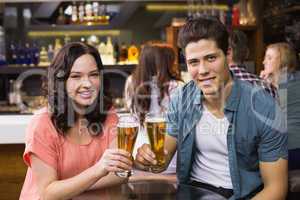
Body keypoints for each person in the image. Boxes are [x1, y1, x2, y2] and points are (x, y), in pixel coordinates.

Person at [135, 17, 288, 199]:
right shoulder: (181, 99)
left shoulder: (264, 107)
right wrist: (147, 159)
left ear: (228, 54)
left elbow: (276, 189)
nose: (202, 70)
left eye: (211, 58)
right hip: (192, 192)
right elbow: (162, 159)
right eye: (194, 62)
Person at [20, 42, 133, 200]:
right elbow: (47, 193)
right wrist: (98, 170)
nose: (87, 84)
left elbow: (120, 174)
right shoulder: (42, 123)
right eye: (75, 76)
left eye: (93, 75)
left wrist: (73, 187)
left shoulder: (108, 115)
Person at [124, 42, 183, 174]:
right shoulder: (177, 86)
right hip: (170, 156)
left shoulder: (130, 82)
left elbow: (130, 112)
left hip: (138, 154)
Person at [260, 42, 300, 170]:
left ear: (283, 61)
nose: (264, 61)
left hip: (289, 148)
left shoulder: (284, 83)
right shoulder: (290, 79)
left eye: (269, 58)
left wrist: (262, 83)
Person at [227, 30, 277, 98]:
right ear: (247, 53)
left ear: (228, 52)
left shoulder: (214, 88)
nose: (264, 62)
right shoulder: (266, 86)